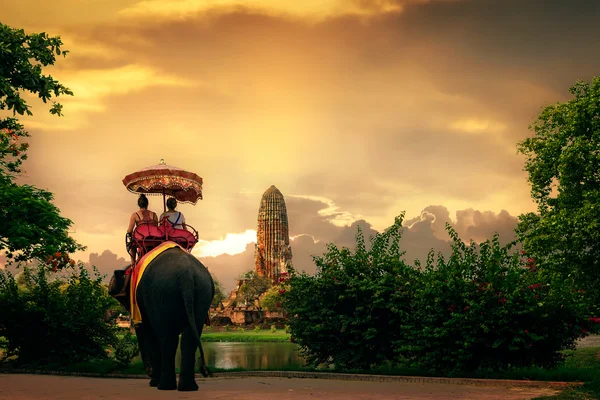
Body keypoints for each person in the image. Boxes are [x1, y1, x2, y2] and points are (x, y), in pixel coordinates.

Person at [126, 194, 159, 266]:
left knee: (132, 245)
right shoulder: (154, 215)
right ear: (147, 204)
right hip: (153, 239)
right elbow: (156, 228)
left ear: (138, 204)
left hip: (141, 240)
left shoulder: (135, 215)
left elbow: (129, 231)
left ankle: (133, 263)